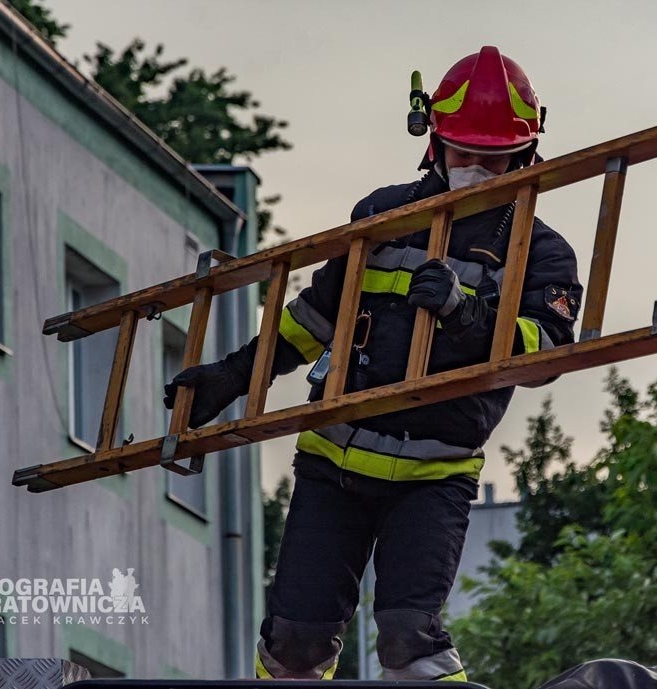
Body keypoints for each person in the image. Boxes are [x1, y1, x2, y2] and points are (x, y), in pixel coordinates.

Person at [163, 46, 582, 681]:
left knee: (411, 642)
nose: (475, 168)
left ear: (525, 155)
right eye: (464, 152)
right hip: (334, 461)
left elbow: (546, 352)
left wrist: (468, 316)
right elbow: (317, 315)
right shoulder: (382, 217)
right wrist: (235, 375)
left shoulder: (542, 255)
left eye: (492, 157)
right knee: (294, 645)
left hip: (434, 473)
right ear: (434, 142)